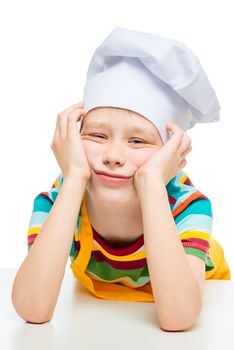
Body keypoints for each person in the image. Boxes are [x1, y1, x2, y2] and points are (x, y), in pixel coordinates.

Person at [11, 27, 231, 331]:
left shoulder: (188, 207)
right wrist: (74, 177)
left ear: (170, 152)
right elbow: (32, 310)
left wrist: (152, 184)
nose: (113, 155)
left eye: (138, 141)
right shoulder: (58, 202)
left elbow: (178, 319)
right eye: (97, 135)